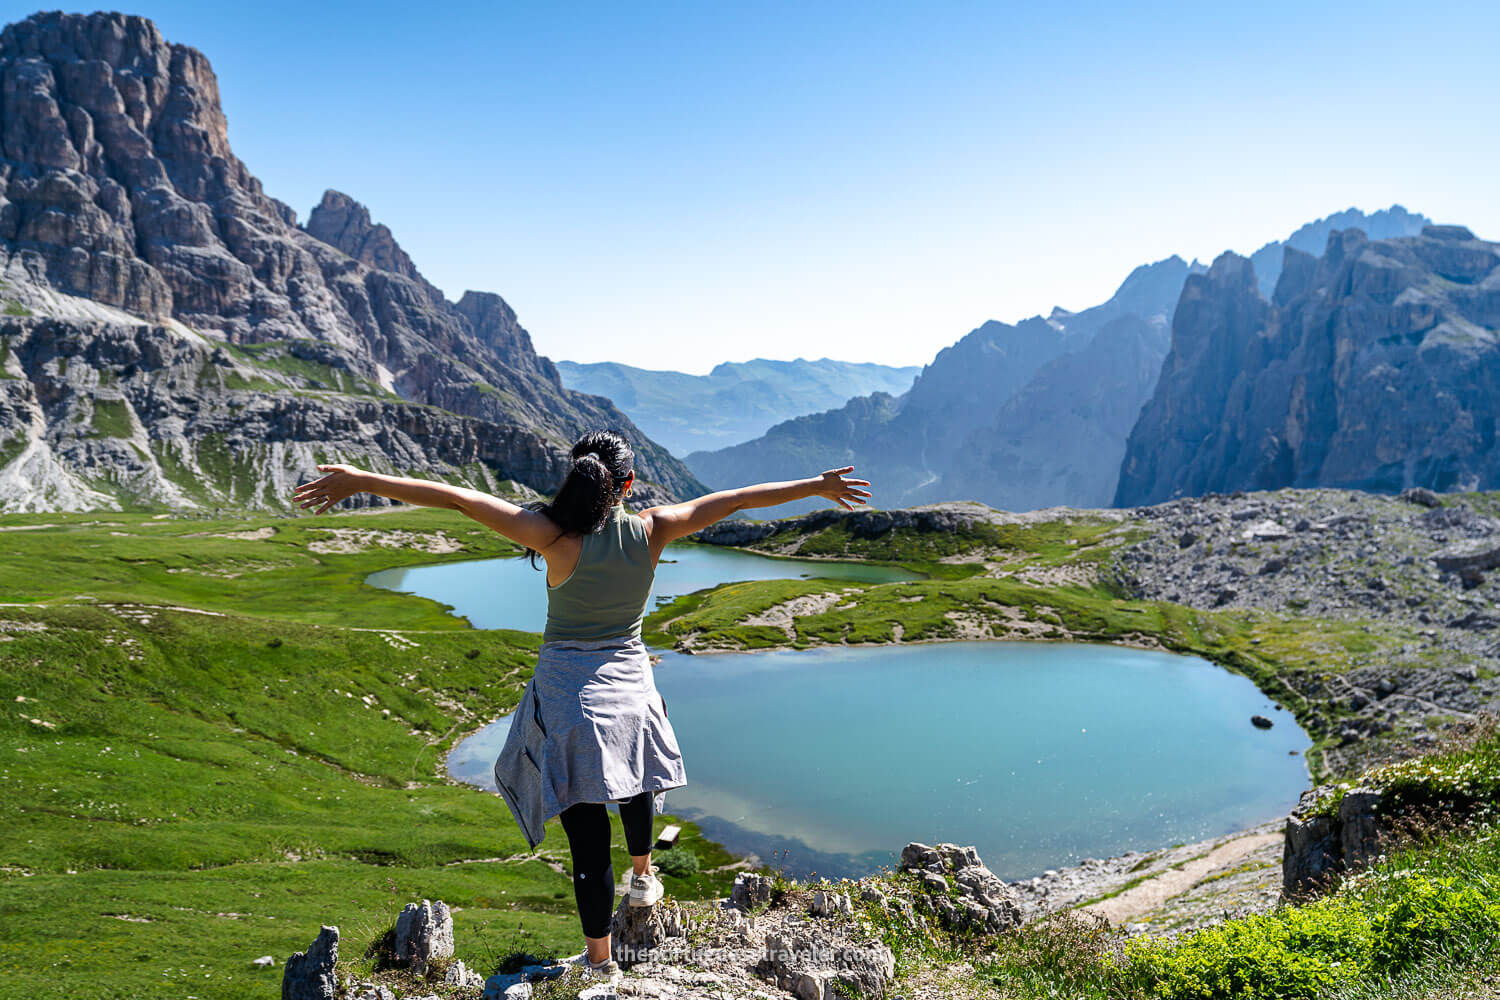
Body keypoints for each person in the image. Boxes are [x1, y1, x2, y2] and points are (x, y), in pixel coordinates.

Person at [291, 431, 871, 983]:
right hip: (631, 690)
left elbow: (459, 499)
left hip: (569, 704)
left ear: (578, 478)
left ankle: (600, 964)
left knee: (588, 843)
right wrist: (815, 486)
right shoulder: (655, 528)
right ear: (630, 482)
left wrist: (360, 478)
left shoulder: (551, 535)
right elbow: (740, 500)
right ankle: (644, 876)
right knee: (637, 772)